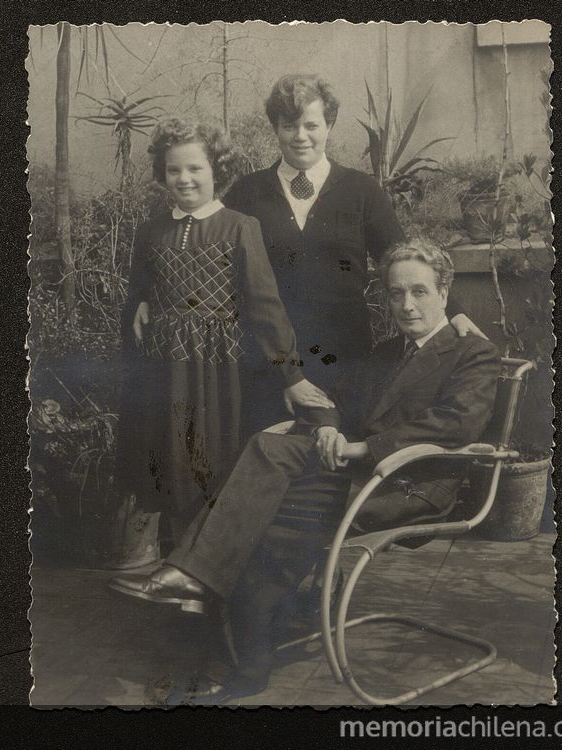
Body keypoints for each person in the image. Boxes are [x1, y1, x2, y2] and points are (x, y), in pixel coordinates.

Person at [110, 238, 501, 700]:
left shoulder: (472, 353)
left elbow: (456, 425)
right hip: (349, 474)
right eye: (395, 293)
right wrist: (329, 429)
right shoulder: (385, 352)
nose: (407, 304)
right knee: (262, 480)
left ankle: (209, 613)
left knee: (261, 510)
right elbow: (331, 399)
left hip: (410, 484)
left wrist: (360, 448)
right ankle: (221, 638)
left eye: (418, 292)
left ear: (444, 291)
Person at [223, 74, 484, 432]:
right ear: (275, 128)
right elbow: (216, 264)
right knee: (273, 453)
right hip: (270, 358)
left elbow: (404, 260)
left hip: (344, 355)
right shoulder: (246, 193)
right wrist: (146, 296)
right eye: (289, 126)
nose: (301, 136)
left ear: (329, 125)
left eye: (311, 125)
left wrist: (454, 312)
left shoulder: (361, 192)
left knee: (336, 454)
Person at [113, 118, 330, 544]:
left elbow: (265, 306)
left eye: (195, 168)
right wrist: (138, 303)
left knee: (209, 463)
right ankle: (171, 568)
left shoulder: (239, 226)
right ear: (162, 174)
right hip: (163, 371)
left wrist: (292, 375)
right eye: (174, 170)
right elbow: (141, 286)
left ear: (217, 171)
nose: (185, 179)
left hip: (214, 372)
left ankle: (206, 577)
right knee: (167, 463)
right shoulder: (151, 231)